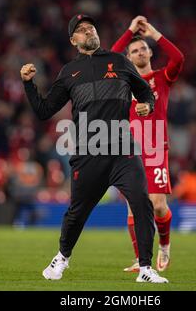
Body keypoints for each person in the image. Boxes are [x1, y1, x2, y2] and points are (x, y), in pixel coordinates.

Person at [20, 14, 168, 283]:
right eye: (81, 29)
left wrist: (148, 104)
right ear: (73, 40)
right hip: (90, 152)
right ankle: (61, 258)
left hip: (124, 149)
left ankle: (146, 269)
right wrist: (28, 84)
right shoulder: (68, 73)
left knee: (142, 204)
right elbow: (43, 111)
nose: (88, 30)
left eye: (90, 26)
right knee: (77, 212)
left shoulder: (120, 61)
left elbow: (145, 91)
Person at [111, 16, 184, 272]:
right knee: (133, 206)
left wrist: (154, 32)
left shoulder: (162, 78)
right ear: (129, 58)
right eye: (134, 50)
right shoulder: (123, 81)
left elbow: (178, 59)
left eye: (143, 48)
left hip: (155, 150)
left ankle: (164, 246)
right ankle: (141, 259)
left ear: (150, 52)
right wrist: (130, 29)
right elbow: (109, 57)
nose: (140, 52)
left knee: (158, 205)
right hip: (130, 151)